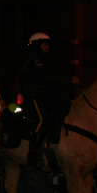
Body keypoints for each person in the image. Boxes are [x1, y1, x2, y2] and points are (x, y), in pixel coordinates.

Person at [18, 33, 78, 165]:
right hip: (34, 98)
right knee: (43, 120)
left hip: (46, 99)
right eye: (44, 44)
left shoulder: (46, 62)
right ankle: (33, 153)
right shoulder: (36, 61)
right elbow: (48, 78)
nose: (47, 47)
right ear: (36, 46)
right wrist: (68, 80)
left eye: (48, 45)